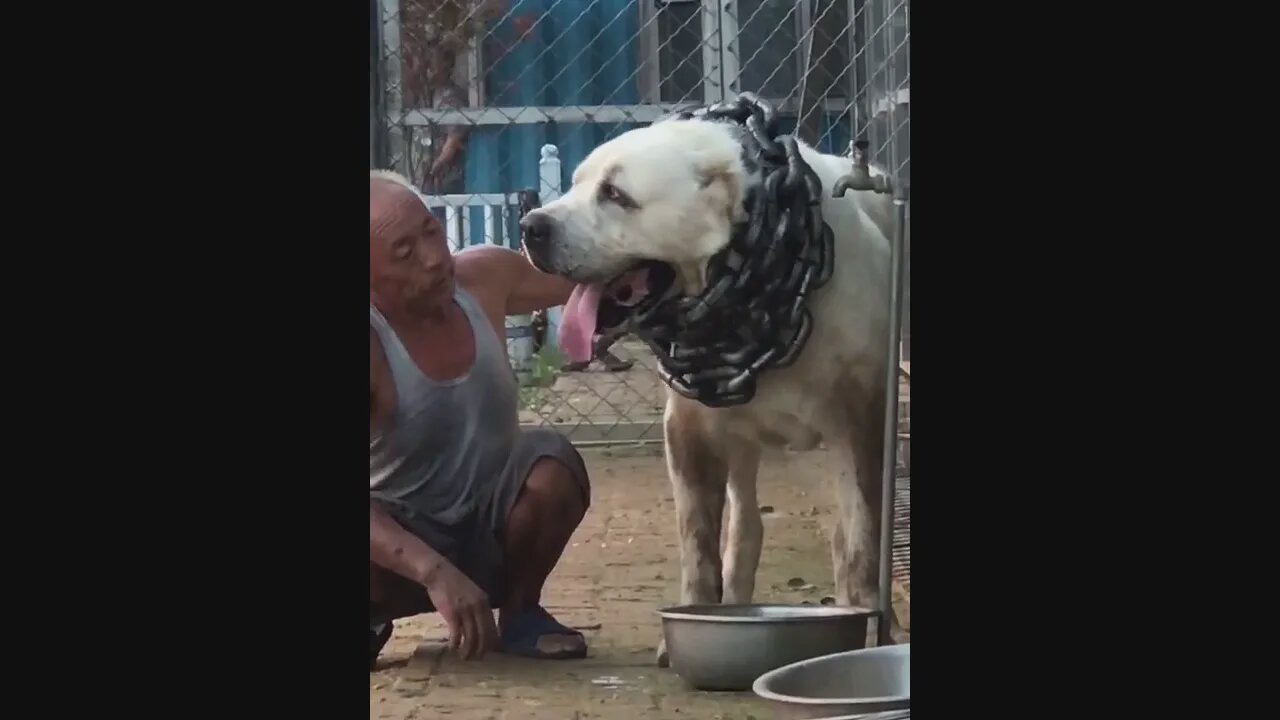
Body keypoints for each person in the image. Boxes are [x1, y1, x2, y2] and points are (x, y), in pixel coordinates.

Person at [370, 170, 591, 667]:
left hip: (489, 531)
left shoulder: (482, 277)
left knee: (551, 460)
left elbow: (584, 275)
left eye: (431, 231)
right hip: (394, 556)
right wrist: (432, 571)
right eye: (404, 253)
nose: (434, 258)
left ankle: (522, 613)